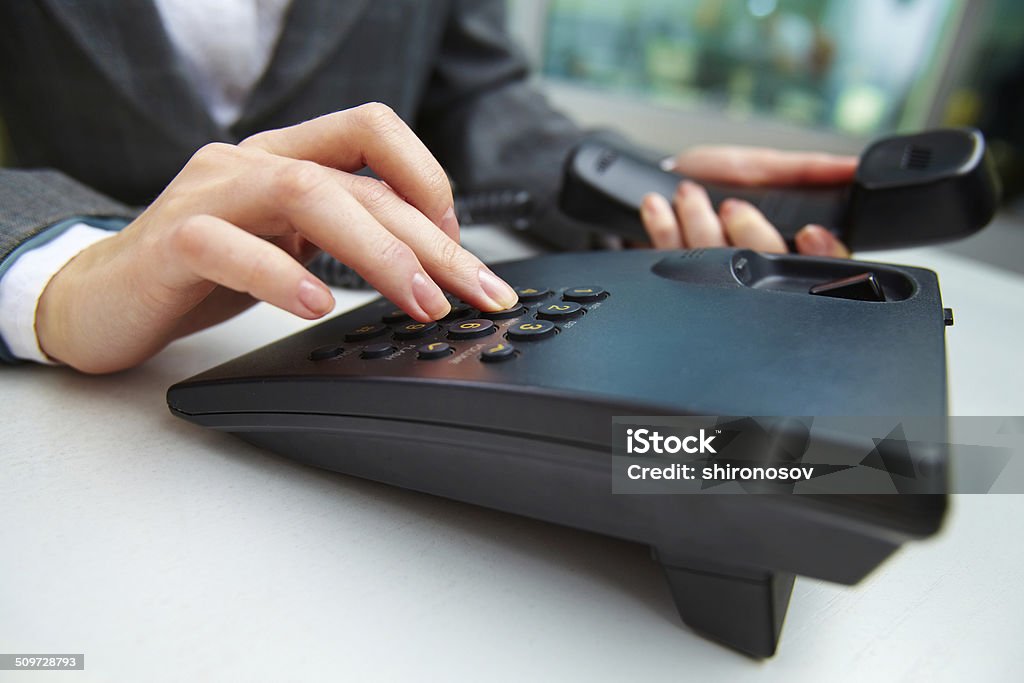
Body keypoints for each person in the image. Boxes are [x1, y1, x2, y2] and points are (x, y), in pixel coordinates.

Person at [0, 0, 855, 374]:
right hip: (77, 385)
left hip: (357, 313)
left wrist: (642, 186)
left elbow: (479, 92)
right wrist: (54, 272)